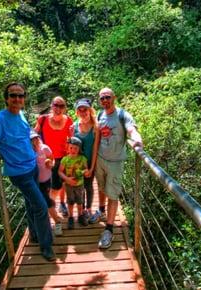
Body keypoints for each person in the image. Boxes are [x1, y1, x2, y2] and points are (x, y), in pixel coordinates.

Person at [0, 82, 55, 261]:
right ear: (6, 98)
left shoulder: (21, 114)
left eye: (20, 95)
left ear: (24, 98)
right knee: (41, 206)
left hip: (32, 167)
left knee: (31, 204)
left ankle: (36, 236)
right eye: (13, 95)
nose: (17, 99)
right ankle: (46, 247)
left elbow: (26, 132)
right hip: (19, 173)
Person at [94, 87, 143, 249]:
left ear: (114, 97)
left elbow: (131, 129)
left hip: (116, 163)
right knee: (101, 188)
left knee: (113, 195)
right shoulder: (100, 115)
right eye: (102, 98)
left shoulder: (123, 115)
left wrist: (137, 138)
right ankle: (101, 210)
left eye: (107, 97)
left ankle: (109, 229)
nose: (105, 100)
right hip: (100, 160)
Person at [34, 96, 73, 218]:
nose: (58, 108)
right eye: (56, 105)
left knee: (60, 183)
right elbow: (34, 135)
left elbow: (71, 139)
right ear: (51, 106)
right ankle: (51, 209)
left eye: (61, 106)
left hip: (63, 157)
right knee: (51, 185)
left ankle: (60, 204)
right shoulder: (43, 119)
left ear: (65, 108)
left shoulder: (69, 121)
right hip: (47, 158)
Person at [71, 98, 100, 223]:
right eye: (80, 110)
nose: (83, 112)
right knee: (78, 187)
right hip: (77, 164)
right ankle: (81, 210)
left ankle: (88, 209)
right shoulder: (74, 127)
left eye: (85, 110)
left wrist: (91, 168)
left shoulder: (95, 127)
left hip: (89, 163)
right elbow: (71, 148)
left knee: (88, 186)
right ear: (77, 112)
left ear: (90, 110)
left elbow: (95, 150)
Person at [30, 131, 64, 236]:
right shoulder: (27, 151)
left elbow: (52, 158)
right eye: (31, 139)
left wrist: (50, 164)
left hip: (46, 179)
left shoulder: (44, 148)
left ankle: (57, 222)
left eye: (35, 138)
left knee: (46, 201)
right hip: (34, 181)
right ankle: (49, 222)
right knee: (43, 201)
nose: (34, 140)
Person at [58, 137, 90, 229]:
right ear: (67, 148)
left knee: (80, 201)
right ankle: (71, 217)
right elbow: (60, 172)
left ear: (79, 149)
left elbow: (85, 169)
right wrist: (67, 179)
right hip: (69, 186)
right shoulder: (65, 159)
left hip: (80, 185)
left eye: (75, 148)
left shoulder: (83, 158)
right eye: (71, 148)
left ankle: (80, 216)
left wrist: (86, 172)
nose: (73, 150)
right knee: (70, 201)